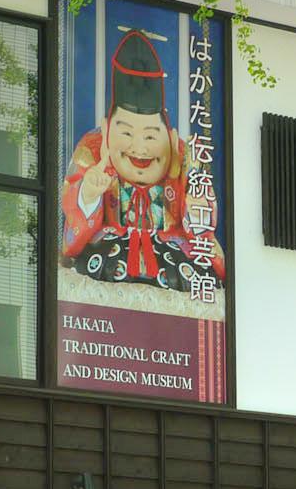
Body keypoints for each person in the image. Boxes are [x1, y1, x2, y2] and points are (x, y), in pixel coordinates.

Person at [60, 28, 226, 293]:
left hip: (171, 248)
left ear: (169, 135)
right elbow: (72, 207)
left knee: (188, 274)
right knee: (96, 263)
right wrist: (88, 193)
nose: (139, 148)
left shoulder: (183, 156)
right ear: (107, 128)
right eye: (126, 133)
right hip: (110, 244)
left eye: (150, 136)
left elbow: (204, 224)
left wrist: (194, 208)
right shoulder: (93, 147)